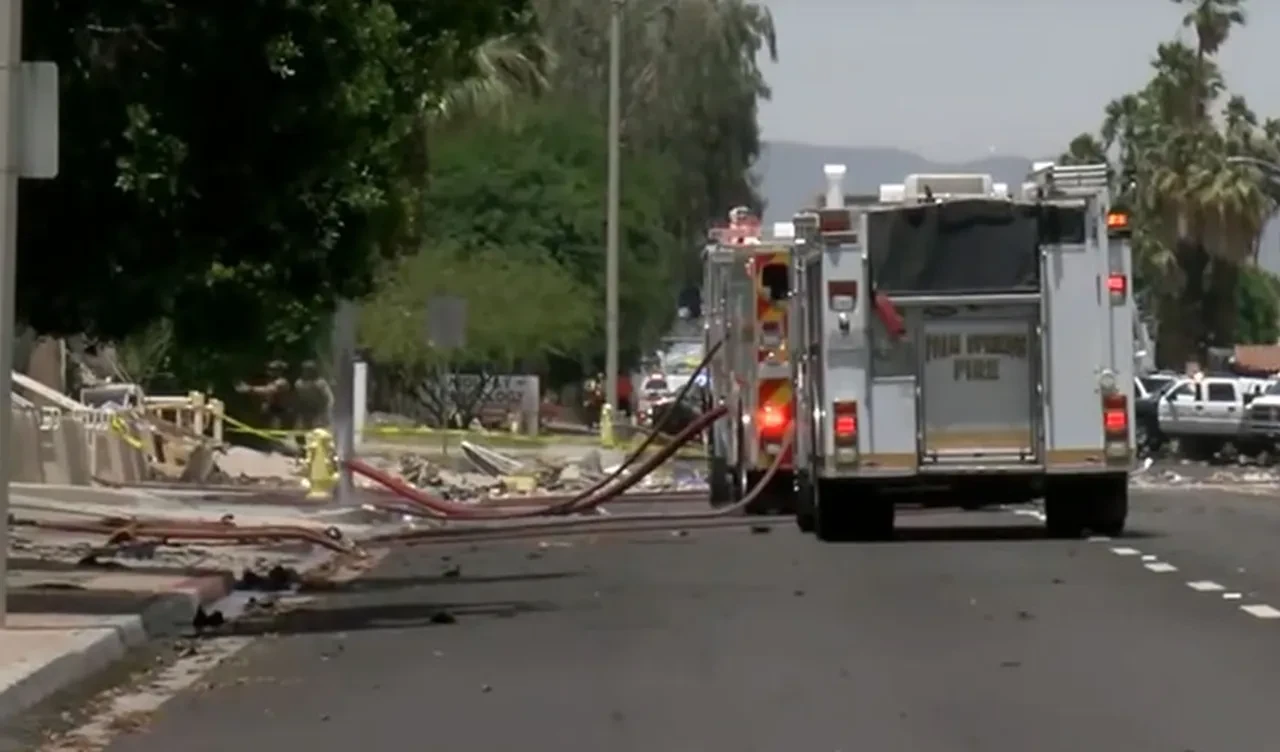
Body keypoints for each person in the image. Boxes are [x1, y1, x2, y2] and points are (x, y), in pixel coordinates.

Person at [236, 360, 291, 431]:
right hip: (270, 411)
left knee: (275, 433)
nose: (268, 371)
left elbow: (268, 390)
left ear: (279, 371)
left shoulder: (282, 382)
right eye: (268, 368)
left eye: (272, 369)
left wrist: (249, 389)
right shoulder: (271, 381)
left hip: (279, 413)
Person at [293, 360, 334, 431]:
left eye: (309, 370)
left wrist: (325, 412)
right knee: (300, 431)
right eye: (305, 370)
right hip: (305, 411)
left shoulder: (320, 383)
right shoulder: (299, 383)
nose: (306, 372)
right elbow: (297, 398)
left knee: (319, 430)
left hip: (319, 411)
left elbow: (329, 398)